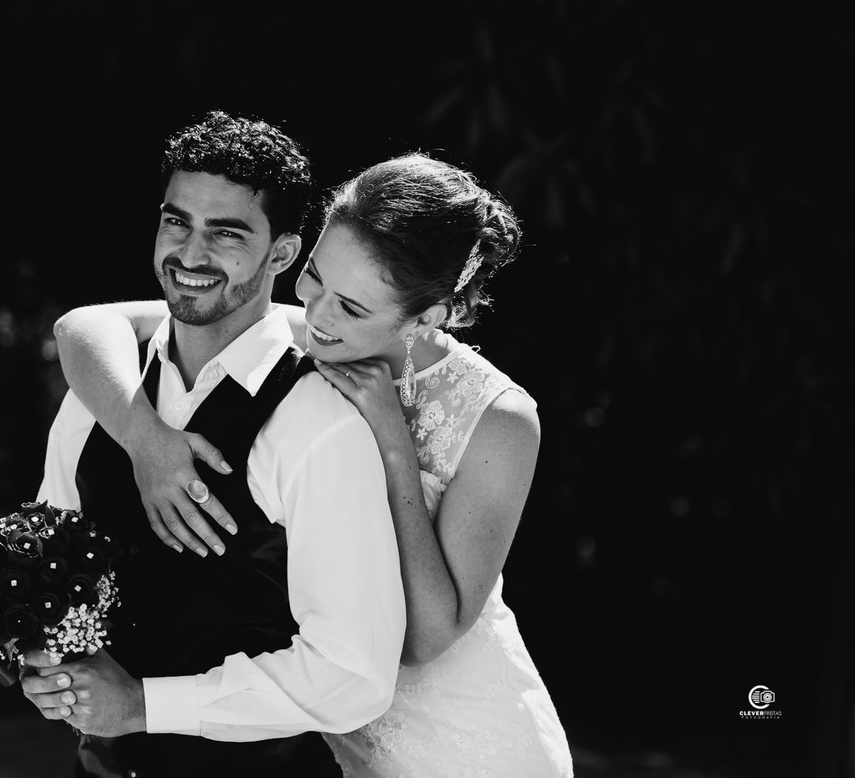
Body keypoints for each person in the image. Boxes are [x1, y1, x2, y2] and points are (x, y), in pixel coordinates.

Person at [52, 152, 574, 776]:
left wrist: (391, 445)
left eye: (351, 307)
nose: (319, 314)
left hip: (449, 735)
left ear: (428, 316)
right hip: (315, 721)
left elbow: (430, 637)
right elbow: (87, 328)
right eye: (315, 278)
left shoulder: (499, 418)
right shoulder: (311, 328)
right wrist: (148, 441)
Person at [19, 111, 405, 778]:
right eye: (177, 221)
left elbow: (354, 673)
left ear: (283, 253)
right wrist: (42, 659)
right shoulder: (99, 396)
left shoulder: (321, 422)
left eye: (226, 233)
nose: (190, 256)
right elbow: (51, 572)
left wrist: (144, 704)